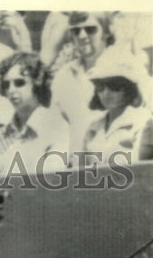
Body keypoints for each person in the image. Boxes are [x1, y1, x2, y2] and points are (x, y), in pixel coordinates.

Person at [50, 11, 121, 154]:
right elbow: (55, 125)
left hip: (115, 163)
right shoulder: (63, 76)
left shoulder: (124, 69)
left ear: (107, 32)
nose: (82, 36)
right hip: (76, 167)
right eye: (76, 31)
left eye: (90, 29)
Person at [0, 52, 70, 173]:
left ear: (37, 83)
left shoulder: (56, 127)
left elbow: (52, 181)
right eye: (6, 85)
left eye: (19, 83)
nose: (11, 90)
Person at [80, 47, 152, 165]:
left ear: (128, 88)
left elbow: (144, 170)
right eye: (100, 86)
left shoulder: (143, 122)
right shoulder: (93, 127)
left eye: (114, 85)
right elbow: (81, 171)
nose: (106, 93)